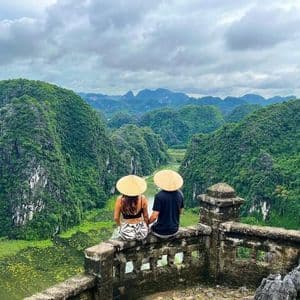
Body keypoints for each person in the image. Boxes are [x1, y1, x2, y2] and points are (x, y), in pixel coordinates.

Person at [149, 170, 184, 238]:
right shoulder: (180, 194)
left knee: (150, 228)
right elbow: (181, 212)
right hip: (174, 230)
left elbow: (154, 216)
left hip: (161, 231)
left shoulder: (159, 196)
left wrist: (146, 223)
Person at [114, 175, 149, 241]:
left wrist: (120, 226)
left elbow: (116, 218)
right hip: (141, 232)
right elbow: (146, 216)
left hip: (127, 232)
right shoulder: (142, 198)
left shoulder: (120, 200)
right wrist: (146, 226)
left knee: (120, 232)